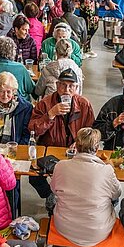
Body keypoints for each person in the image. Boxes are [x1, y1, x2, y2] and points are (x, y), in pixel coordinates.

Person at [51, 127, 122, 247]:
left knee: (52, 200)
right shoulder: (106, 170)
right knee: (112, 199)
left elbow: (54, 190)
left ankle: (72, 246)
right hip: (97, 231)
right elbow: (117, 194)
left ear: (76, 146)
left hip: (65, 227)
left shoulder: (60, 166)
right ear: (97, 148)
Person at [28, 69, 94, 201]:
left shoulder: (84, 104)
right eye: (63, 85)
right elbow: (33, 129)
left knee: (84, 176)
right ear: (57, 85)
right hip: (50, 152)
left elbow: (91, 131)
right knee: (33, 176)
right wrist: (50, 114)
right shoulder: (45, 103)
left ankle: (70, 198)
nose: (66, 90)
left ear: (76, 88)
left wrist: (80, 142)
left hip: (75, 153)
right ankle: (50, 195)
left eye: (71, 86)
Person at [0, 71, 33, 144]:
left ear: (13, 91)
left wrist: (18, 148)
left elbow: (27, 134)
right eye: (1, 91)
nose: (5, 95)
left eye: (8, 92)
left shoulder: (25, 107)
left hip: (15, 146)